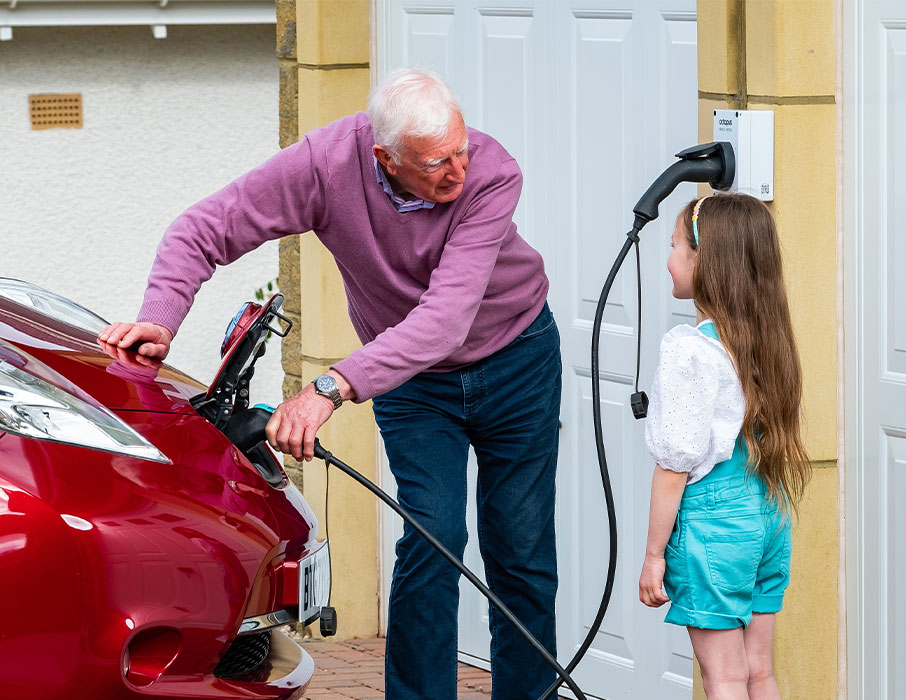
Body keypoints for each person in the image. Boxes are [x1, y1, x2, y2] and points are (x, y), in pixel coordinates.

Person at [97, 68, 562, 699]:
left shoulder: (491, 171)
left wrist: (330, 388)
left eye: (460, 151)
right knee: (434, 538)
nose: (457, 170)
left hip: (517, 360)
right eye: (435, 164)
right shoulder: (324, 167)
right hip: (413, 380)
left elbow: (447, 317)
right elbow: (200, 230)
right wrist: (159, 318)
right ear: (384, 158)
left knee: (521, 547)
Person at [637, 193, 812, 700]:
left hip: (714, 523)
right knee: (758, 672)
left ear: (704, 260)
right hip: (766, 513)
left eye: (673, 246)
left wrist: (653, 556)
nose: (668, 258)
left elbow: (674, 465)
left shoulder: (689, 348)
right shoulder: (768, 339)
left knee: (725, 678)